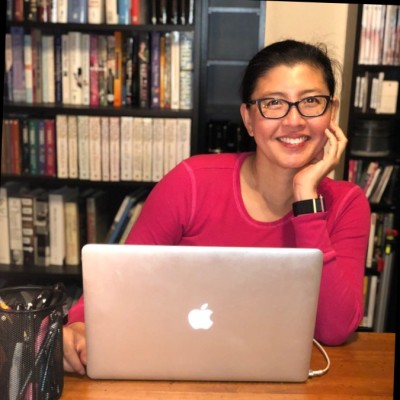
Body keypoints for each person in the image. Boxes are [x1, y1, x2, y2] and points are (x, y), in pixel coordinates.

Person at [63, 39, 371, 375]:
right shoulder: (191, 182)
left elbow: (335, 330)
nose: (294, 120)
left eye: (311, 101)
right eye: (273, 103)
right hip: (176, 367)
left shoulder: (347, 203)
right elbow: (121, 278)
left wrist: (306, 198)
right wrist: (79, 324)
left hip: (278, 378)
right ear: (249, 119)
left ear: (331, 112)